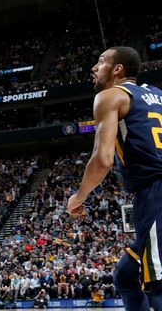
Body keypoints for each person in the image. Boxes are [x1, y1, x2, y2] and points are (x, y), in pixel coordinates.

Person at [67, 46, 162, 310]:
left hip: (156, 194)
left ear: (117, 69)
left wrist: (78, 197)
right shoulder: (157, 95)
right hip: (153, 194)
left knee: (158, 287)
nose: (94, 68)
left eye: (100, 62)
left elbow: (102, 159)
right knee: (126, 275)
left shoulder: (110, 96)